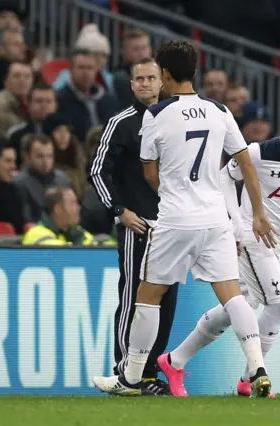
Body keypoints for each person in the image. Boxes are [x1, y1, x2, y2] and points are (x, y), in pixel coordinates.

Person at [92, 40, 276, 397]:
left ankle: (130, 378)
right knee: (233, 297)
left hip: (176, 219)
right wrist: (257, 213)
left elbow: (149, 173)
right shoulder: (219, 110)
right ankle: (257, 367)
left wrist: (174, 192)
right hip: (216, 218)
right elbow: (245, 164)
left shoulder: (155, 115)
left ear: (164, 74)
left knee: (147, 297)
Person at [157, 99, 280, 397]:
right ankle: (252, 376)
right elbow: (224, 178)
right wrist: (239, 225)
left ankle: (174, 361)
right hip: (250, 239)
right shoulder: (259, 152)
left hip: (273, 240)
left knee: (239, 306)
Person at [88, 57, 173, 395]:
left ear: (161, 81)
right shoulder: (121, 123)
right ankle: (125, 370)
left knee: (165, 301)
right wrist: (118, 209)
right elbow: (97, 171)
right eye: (138, 79)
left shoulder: (173, 120)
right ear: (131, 84)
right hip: (137, 224)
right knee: (132, 297)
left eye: (151, 78)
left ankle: (149, 372)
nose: (144, 84)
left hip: (171, 225)